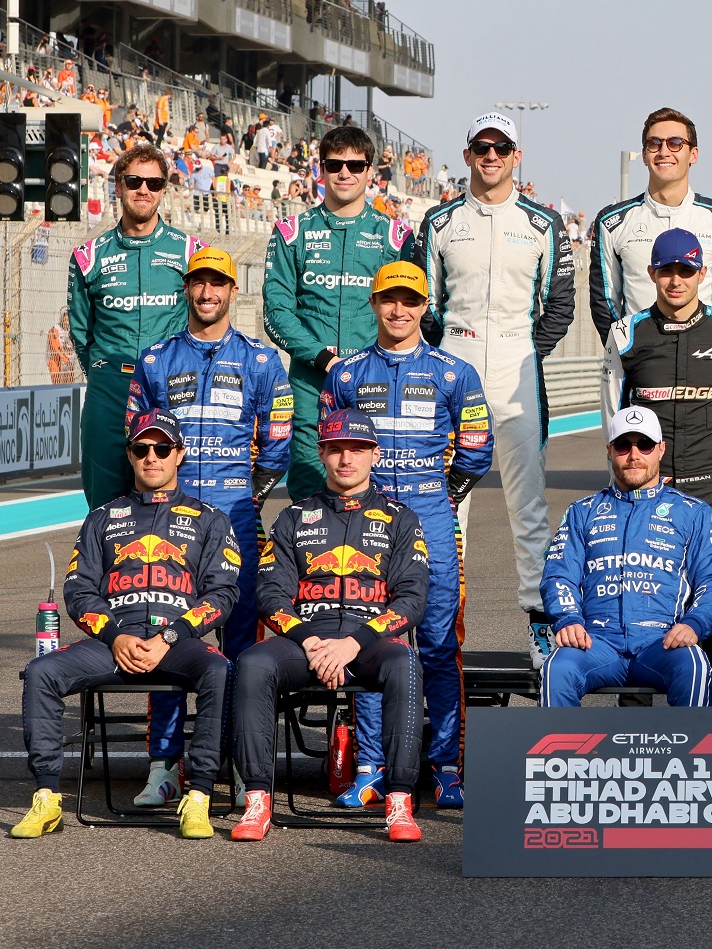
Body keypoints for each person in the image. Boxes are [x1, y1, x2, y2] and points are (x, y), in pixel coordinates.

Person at [12, 410, 238, 839]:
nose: (151, 457)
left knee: (220, 670)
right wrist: (116, 637)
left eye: (162, 448)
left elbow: (222, 594)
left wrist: (170, 636)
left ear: (179, 454)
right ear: (130, 455)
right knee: (42, 672)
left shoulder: (211, 519)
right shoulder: (102, 518)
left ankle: (200, 795)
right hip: (114, 641)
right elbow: (79, 590)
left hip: (179, 641)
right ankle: (46, 798)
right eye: (141, 448)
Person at [124, 247, 292, 807]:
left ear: (232, 291)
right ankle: (164, 765)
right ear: (186, 289)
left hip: (236, 515)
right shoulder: (154, 361)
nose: (206, 294)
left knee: (243, 640)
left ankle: (243, 768)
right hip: (165, 519)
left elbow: (278, 445)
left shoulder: (262, 362)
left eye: (217, 284)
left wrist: (247, 497)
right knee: (163, 633)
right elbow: (135, 434)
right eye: (198, 283)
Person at [321, 261, 492, 808]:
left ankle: (446, 768)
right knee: (376, 643)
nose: (399, 310)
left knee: (440, 648)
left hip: (432, 517)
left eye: (411, 301)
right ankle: (371, 766)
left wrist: (440, 496)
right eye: (389, 300)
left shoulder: (454, 373)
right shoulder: (344, 375)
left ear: (425, 308)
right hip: (364, 521)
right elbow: (328, 447)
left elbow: (476, 451)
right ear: (373, 304)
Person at [414, 112, 574, 671]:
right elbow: (422, 306)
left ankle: (539, 623)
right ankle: (440, 626)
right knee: (446, 505)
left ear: (515, 155)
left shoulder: (543, 223)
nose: (491, 156)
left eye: (501, 147)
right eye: (481, 147)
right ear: (467, 156)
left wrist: (526, 349)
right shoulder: (437, 222)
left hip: (517, 361)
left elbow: (561, 305)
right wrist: (444, 358)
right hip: (454, 357)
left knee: (527, 506)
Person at [231, 408, 428, 842]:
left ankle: (398, 799)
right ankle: (258, 800)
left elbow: (412, 600)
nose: (346, 459)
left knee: (406, 664)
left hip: (370, 641)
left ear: (374, 455)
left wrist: (353, 644)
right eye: (336, 449)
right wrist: (312, 640)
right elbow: (270, 596)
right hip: (307, 641)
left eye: (356, 449)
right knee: (252, 663)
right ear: (321, 454)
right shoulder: (293, 517)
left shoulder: (401, 518)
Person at [601, 227, 712, 692]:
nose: (676, 281)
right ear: (651, 273)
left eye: (686, 271)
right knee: (643, 604)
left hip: (710, 486)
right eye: (666, 271)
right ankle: (638, 722)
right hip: (643, 493)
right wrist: (636, 479)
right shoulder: (625, 333)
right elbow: (613, 417)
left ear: (702, 274)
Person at [538, 407, 712, 706]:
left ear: (661, 449)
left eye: (645, 445)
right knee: (556, 668)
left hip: (662, 643)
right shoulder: (582, 511)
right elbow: (558, 574)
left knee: (695, 666)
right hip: (596, 643)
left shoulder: (694, 512)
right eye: (624, 445)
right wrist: (567, 619)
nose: (634, 454)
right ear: (609, 450)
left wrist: (694, 623)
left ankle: (691, 753)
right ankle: (561, 752)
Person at [263, 125, 415, 502]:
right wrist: (322, 357)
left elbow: (411, 311)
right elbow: (276, 311)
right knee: (311, 486)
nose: (344, 173)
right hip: (310, 379)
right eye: (335, 164)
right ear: (322, 170)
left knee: (382, 490)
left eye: (354, 164)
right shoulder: (291, 232)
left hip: (376, 377)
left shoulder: (396, 236)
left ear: (369, 171)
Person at [68, 143, 199, 508]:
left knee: (174, 501)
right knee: (105, 502)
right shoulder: (88, 256)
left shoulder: (191, 251)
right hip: (110, 387)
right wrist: (103, 369)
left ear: (164, 190)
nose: (144, 189)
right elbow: (81, 332)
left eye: (154, 184)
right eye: (134, 181)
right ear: (118, 186)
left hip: (170, 386)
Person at [588, 106, 712, 342]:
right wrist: (627, 350)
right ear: (644, 155)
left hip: (707, 363)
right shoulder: (612, 222)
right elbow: (604, 302)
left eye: (675, 142)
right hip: (639, 364)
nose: (664, 151)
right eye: (654, 143)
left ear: (693, 154)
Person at [46, 311, 75, 384]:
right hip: (56, 359)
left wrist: (72, 345)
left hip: (69, 360)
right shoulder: (55, 330)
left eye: (68, 320)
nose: (66, 323)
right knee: (57, 383)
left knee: (69, 383)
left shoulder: (72, 331)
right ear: (61, 320)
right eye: (65, 320)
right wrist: (65, 359)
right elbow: (56, 347)